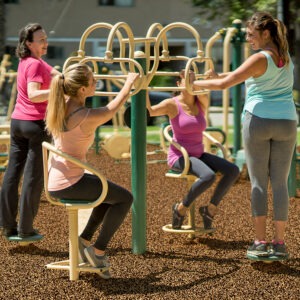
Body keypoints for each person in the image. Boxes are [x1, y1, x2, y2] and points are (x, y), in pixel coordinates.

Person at [193, 12, 297, 259]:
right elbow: (233, 78)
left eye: (252, 35)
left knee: (259, 182)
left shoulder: (260, 57)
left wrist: (194, 83)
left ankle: (260, 242)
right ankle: (280, 243)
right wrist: (218, 78)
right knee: (280, 183)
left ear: (266, 33)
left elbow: (224, 84)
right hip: (287, 122)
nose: (249, 39)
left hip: (259, 120)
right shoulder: (286, 58)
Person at [45, 63, 139, 279]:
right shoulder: (84, 116)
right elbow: (111, 109)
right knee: (125, 198)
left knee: (108, 193)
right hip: (70, 183)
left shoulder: (61, 105)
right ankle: (97, 251)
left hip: (58, 181)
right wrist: (128, 84)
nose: (96, 82)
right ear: (82, 90)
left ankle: (84, 240)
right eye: (93, 80)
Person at [147, 70, 240, 231]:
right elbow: (150, 111)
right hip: (180, 156)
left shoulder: (200, 101)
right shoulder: (172, 104)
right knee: (208, 176)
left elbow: (212, 87)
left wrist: (211, 76)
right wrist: (144, 89)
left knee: (233, 170)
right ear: (178, 84)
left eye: (193, 79)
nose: (191, 82)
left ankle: (210, 210)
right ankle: (180, 208)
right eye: (187, 79)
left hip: (198, 154)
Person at [0, 23, 60, 238]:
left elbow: (55, 72)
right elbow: (35, 94)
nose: (46, 42)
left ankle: (7, 224)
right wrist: (57, 88)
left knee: (12, 173)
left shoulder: (26, 61)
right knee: (33, 178)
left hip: (18, 122)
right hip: (35, 125)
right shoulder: (34, 64)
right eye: (41, 40)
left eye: (46, 38)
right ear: (28, 43)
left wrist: (65, 75)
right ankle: (25, 229)